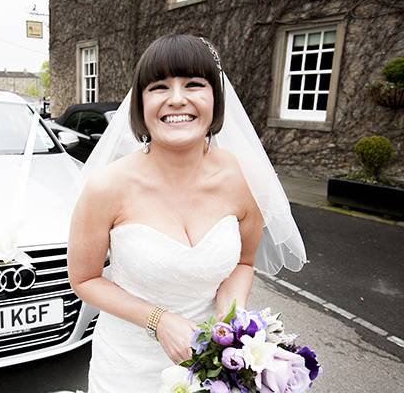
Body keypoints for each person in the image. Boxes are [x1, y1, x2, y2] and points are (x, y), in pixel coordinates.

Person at [67, 34, 306, 392]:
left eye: (194, 84)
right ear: (141, 103)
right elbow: (84, 279)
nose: (177, 99)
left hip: (211, 367)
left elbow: (243, 263)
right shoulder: (106, 187)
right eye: (159, 87)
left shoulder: (244, 178)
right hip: (126, 367)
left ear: (215, 99)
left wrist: (232, 322)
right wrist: (158, 320)